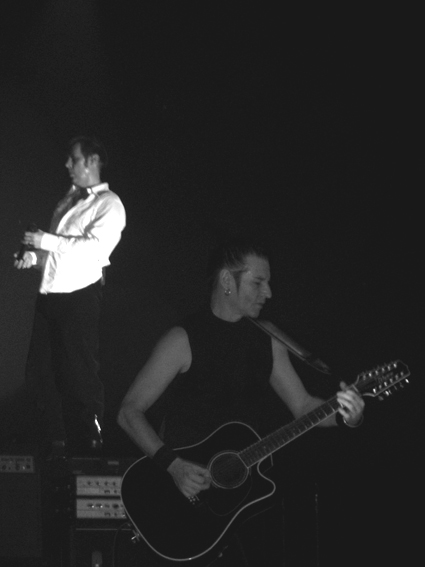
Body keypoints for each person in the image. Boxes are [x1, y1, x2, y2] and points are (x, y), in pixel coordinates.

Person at [117, 242, 364, 565]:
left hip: (242, 504)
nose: (269, 292)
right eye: (258, 282)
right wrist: (173, 466)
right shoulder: (183, 339)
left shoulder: (268, 339)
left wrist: (345, 414)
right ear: (226, 281)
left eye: (268, 282)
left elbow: (303, 405)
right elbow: (129, 412)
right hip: (183, 498)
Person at [14, 136, 126, 456]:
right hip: (50, 296)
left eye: (73, 159)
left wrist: (46, 241)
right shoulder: (68, 201)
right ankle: (51, 441)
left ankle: (88, 444)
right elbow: (62, 257)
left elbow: (95, 250)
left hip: (79, 296)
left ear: (92, 161)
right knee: (40, 372)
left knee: (78, 373)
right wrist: (34, 257)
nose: (67, 165)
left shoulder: (110, 204)